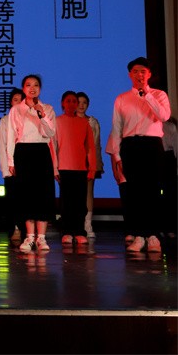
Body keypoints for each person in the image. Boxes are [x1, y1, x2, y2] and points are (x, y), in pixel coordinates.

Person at [105, 56, 171, 253]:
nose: (139, 75)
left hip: (152, 145)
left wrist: (147, 96)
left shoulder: (159, 95)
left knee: (153, 190)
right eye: (135, 72)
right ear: (129, 75)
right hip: (130, 145)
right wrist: (117, 156)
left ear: (149, 74)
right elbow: (116, 128)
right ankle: (139, 235)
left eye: (143, 71)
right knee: (134, 192)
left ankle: (153, 236)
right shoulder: (122, 98)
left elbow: (164, 116)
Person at [5, 74, 57, 253]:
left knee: (43, 194)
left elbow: (50, 133)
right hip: (23, 152)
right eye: (28, 85)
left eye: (36, 85)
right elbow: (11, 135)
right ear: (23, 88)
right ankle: (29, 236)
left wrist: (41, 115)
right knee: (26, 195)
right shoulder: (16, 110)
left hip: (41, 151)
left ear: (40, 89)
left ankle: (41, 237)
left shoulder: (47, 108)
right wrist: (11, 161)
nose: (32, 88)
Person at [54, 91, 96, 245]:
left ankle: (79, 231)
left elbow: (90, 147)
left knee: (79, 201)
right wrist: (54, 168)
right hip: (63, 167)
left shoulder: (84, 123)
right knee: (66, 201)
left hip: (80, 167)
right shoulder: (57, 121)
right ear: (62, 103)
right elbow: (53, 146)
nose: (71, 104)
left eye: (74, 101)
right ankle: (66, 231)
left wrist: (92, 168)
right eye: (68, 101)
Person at [0, 88, 25, 243]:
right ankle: (15, 228)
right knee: (13, 200)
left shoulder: (30, 119)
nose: (18, 103)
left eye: (21, 100)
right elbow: (2, 146)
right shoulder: (5, 121)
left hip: (27, 166)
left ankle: (27, 231)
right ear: (10, 102)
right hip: (11, 167)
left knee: (26, 199)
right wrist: (5, 169)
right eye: (15, 100)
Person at [75, 92, 104, 238]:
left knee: (88, 192)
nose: (81, 105)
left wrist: (96, 163)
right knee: (73, 194)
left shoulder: (92, 122)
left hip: (88, 162)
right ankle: (73, 225)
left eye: (84, 102)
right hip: (72, 162)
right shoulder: (68, 120)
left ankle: (87, 224)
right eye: (78, 102)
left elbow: (96, 144)